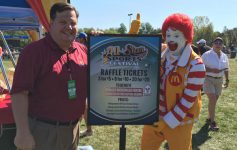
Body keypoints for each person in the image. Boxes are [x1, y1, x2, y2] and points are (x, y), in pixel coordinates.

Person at [10, 2, 87, 150]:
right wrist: (22, 132)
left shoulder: (83, 51)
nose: (69, 27)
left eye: (73, 23)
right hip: (43, 131)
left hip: (73, 129)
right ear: (51, 23)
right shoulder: (33, 52)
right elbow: (19, 93)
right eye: (63, 22)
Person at [141, 13, 206, 150]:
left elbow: (188, 100)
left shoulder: (196, 64)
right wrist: (130, 36)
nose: (170, 39)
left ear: (187, 38)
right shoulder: (162, 51)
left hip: (180, 122)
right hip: (154, 117)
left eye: (176, 36)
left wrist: (167, 121)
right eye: (168, 35)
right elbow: (137, 52)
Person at [201, 37, 229, 131]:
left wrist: (227, 80)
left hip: (219, 80)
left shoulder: (224, 56)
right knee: (212, 99)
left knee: (214, 101)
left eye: (220, 43)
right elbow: (200, 66)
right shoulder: (206, 55)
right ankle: (212, 122)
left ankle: (209, 117)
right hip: (208, 79)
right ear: (212, 44)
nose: (218, 44)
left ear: (222, 45)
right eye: (216, 42)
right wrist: (212, 70)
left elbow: (226, 69)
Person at [76, 32, 93, 137]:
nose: (77, 40)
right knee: (82, 106)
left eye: (79, 38)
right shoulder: (86, 47)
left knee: (84, 106)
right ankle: (84, 129)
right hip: (84, 82)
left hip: (85, 82)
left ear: (82, 39)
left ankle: (89, 130)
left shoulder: (85, 48)